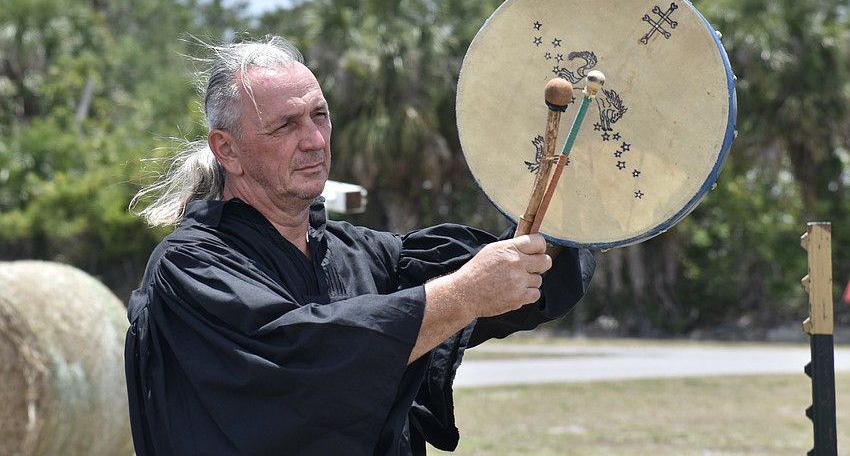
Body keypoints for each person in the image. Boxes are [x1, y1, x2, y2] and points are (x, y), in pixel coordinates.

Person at [124, 35, 595, 456]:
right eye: (285, 125)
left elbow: (508, 273)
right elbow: (303, 359)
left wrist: (572, 203)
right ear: (227, 150)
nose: (314, 140)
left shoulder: (363, 255)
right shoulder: (191, 268)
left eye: (319, 115)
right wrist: (466, 293)